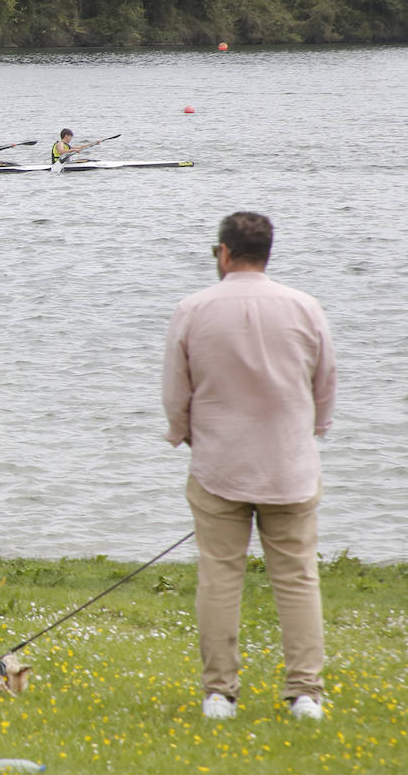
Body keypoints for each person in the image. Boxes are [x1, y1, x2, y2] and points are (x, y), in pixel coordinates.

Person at [162, 212, 336, 722]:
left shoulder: (192, 309)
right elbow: (325, 387)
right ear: (267, 253)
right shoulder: (306, 307)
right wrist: (311, 432)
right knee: (298, 578)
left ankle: (220, 694)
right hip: (290, 466)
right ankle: (305, 694)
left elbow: (177, 394)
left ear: (223, 253)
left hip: (218, 466)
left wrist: (187, 435)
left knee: (219, 578)